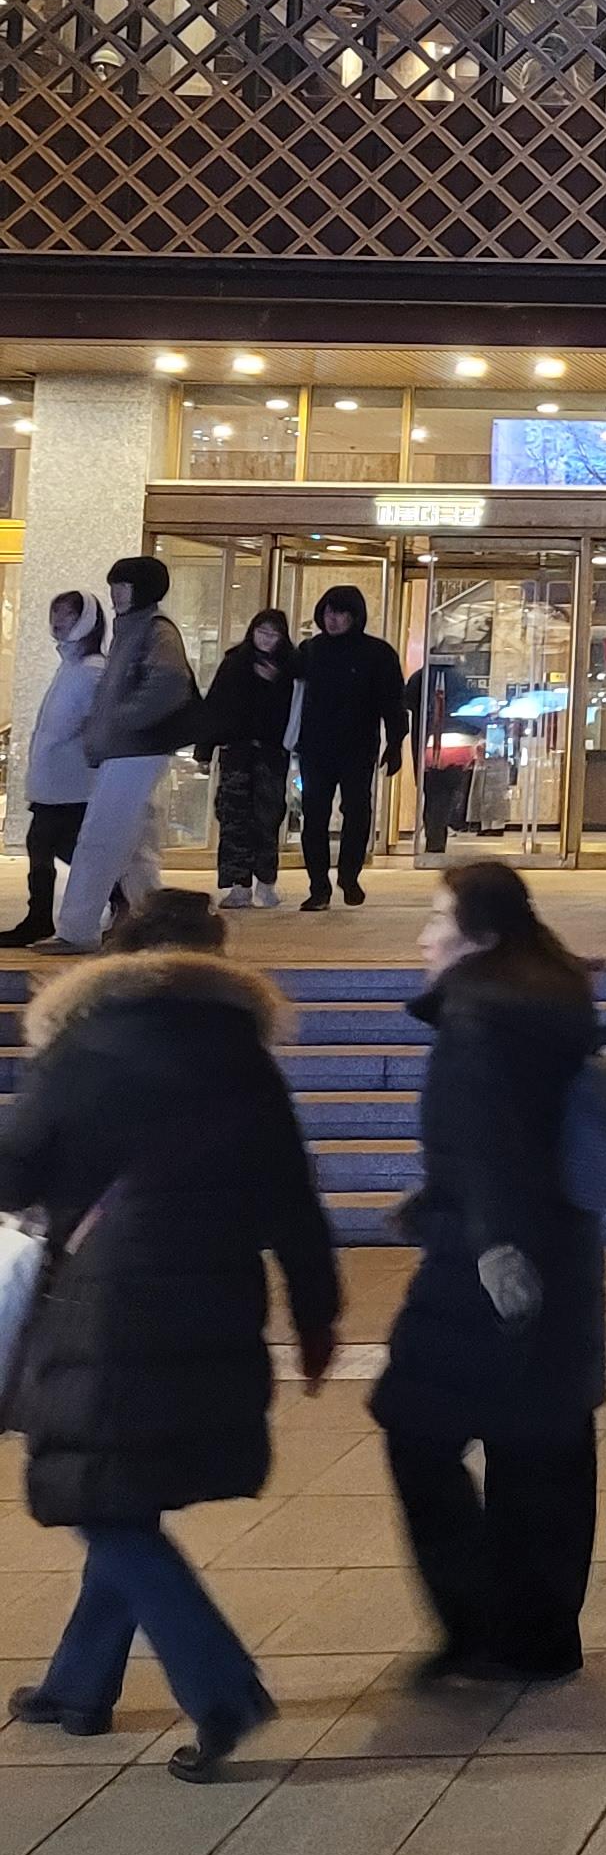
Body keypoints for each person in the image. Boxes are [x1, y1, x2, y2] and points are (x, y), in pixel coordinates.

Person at [0, 887, 340, 1774]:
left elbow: (14, 1170)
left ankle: (223, 1690)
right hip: (219, 1298)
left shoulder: (85, 1043)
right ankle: (79, 1686)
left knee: (97, 1501)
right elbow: (293, 1197)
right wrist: (317, 1314)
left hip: (107, 1306)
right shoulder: (243, 1056)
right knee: (121, 1490)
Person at [371, 863, 606, 1681]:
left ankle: (482, 1624)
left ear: (480, 936)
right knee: (543, 1447)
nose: (424, 937)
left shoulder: (477, 1020)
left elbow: (487, 1153)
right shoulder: (551, 1002)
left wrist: (493, 1248)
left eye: (439, 919)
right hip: (561, 1256)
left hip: (487, 1269)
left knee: (418, 1429)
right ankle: (538, 1636)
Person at [51, 557, 197, 953]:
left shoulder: (153, 630)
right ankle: (155, 928)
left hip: (134, 750)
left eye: (123, 586)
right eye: (114, 585)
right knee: (135, 847)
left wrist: (123, 720)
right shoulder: (133, 629)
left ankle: (77, 930)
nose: (115, 594)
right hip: (132, 749)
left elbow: (170, 682)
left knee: (101, 837)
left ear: (143, 590)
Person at [289, 584, 406, 911]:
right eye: (328, 612)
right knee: (314, 816)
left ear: (355, 616)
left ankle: (349, 874)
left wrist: (395, 742)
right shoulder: (310, 651)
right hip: (314, 747)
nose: (333, 619)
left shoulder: (377, 653)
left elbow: (392, 702)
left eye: (341, 613)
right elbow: (288, 689)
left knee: (357, 812)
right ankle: (318, 887)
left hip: (358, 747)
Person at [7, 594, 102, 949]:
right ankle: (42, 916)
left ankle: (44, 917)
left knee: (57, 846)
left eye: (68, 613)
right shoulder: (71, 665)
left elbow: (81, 723)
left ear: (87, 619)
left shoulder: (91, 669)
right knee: (52, 845)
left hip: (73, 780)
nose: (59, 620)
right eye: (55, 612)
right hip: (56, 779)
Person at [193, 606, 296, 911]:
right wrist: (204, 748)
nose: (266, 639)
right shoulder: (235, 663)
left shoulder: (291, 667)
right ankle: (238, 886)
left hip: (271, 753)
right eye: (262, 632)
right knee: (234, 818)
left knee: (267, 817)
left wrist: (277, 681)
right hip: (236, 752)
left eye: (273, 634)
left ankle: (266, 882)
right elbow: (215, 707)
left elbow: (296, 707)